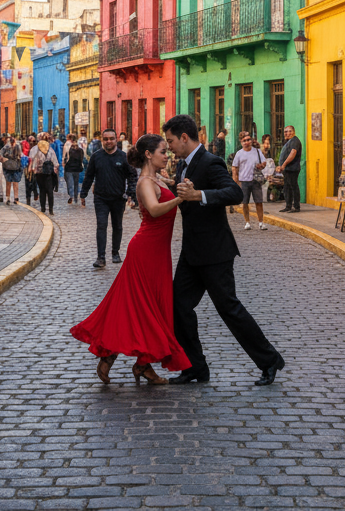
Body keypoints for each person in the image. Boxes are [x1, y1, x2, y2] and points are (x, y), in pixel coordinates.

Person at [164, 114, 285, 386]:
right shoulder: (184, 165)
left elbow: (232, 193)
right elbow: (186, 198)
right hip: (192, 252)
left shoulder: (210, 161)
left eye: (171, 141)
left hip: (215, 253)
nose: (169, 146)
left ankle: (269, 360)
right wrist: (172, 188)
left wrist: (200, 195)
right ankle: (196, 367)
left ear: (184, 138)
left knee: (229, 309)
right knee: (179, 307)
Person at [71, 134, 191, 386]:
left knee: (152, 307)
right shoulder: (145, 182)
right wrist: (181, 198)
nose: (166, 155)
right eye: (162, 151)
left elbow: (170, 189)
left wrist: (183, 187)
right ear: (148, 154)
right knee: (136, 305)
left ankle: (143, 364)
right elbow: (155, 209)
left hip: (158, 252)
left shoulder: (158, 178)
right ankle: (111, 353)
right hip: (145, 251)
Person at [80, 129, 137, 269]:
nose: (109, 141)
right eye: (106, 139)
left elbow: (132, 175)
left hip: (118, 198)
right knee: (101, 225)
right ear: (102, 140)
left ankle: (115, 252)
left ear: (116, 139)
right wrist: (83, 193)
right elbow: (89, 176)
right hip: (101, 198)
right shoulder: (96, 157)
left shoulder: (124, 157)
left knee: (117, 226)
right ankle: (101, 258)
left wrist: (131, 192)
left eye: (111, 138)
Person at [231, 134, 267, 231]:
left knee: (259, 202)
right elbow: (234, 167)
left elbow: (264, 162)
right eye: (244, 140)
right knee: (245, 203)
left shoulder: (257, 152)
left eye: (248, 140)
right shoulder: (239, 154)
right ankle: (247, 222)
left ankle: (261, 222)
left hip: (256, 180)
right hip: (244, 181)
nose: (247, 142)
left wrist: (262, 166)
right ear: (241, 142)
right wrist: (235, 180)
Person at [29, 134, 60, 216]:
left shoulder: (36, 150)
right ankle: (51, 209)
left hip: (39, 173)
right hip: (49, 173)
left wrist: (33, 170)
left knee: (42, 190)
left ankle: (43, 208)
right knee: (50, 191)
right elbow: (55, 162)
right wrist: (55, 169)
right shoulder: (50, 150)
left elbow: (33, 161)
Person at [276, 125, 302, 212]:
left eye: (289, 131)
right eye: (285, 132)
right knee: (287, 188)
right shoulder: (289, 142)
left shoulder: (295, 141)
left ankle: (296, 206)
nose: (287, 133)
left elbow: (293, 153)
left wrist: (283, 165)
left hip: (292, 169)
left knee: (293, 187)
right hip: (287, 169)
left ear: (293, 132)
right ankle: (288, 206)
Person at [0, 135, 23, 204]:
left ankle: (8, 198)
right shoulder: (17, 146)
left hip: (7, 166)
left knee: (8, 182)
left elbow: (0, 155)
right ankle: (15, 198)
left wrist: (4, 159)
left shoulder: (6, 147)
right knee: (15, 182)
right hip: (15, 166)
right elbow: (20, 155)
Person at [64, 136, 85, 205]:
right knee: (76, 183)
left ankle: (72, 196)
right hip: (77, 168)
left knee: (70, 183)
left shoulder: (68, 147)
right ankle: (76, 197)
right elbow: (81, 159)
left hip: (69, 168)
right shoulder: (80, 150)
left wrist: (64, 163)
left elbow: (65, 157)